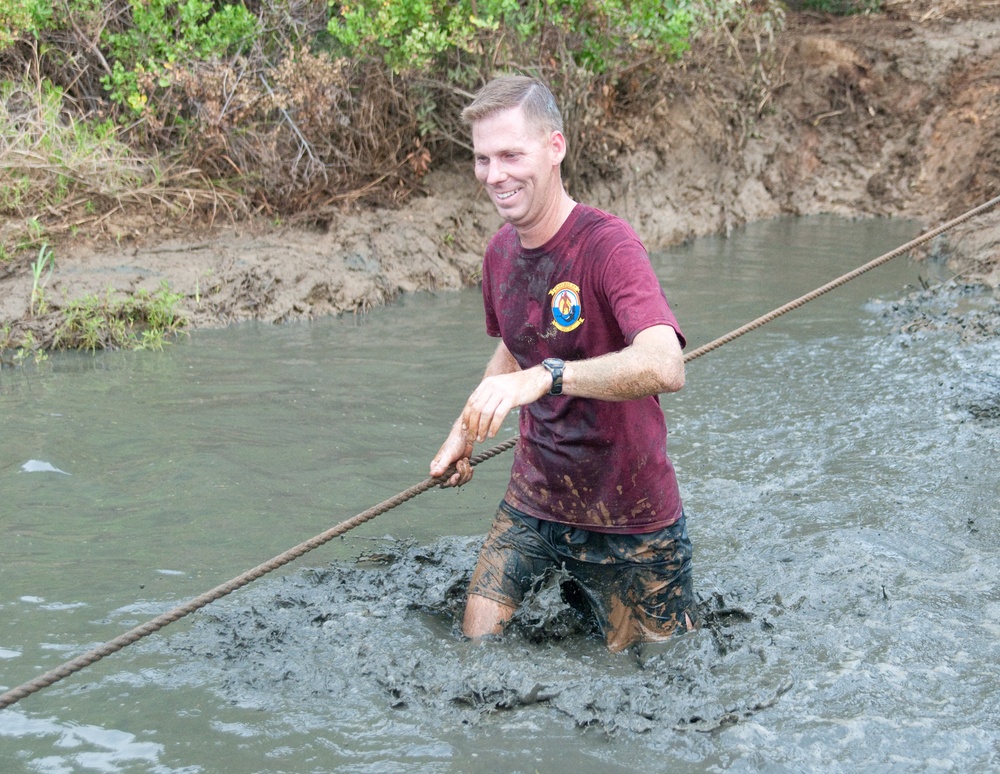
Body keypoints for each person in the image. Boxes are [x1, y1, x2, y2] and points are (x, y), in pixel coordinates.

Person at [430, 75, 696, 652]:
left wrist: (549, 376)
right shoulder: (500, 254)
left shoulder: (608, 246)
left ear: (555, 148)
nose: (494, 175)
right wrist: (465, 429)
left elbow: (666, 364)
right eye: (482, 159)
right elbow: (515, 345)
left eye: (510, 155)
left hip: (632, 516)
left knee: (656, 686)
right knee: (474, 657)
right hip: (535, 500)